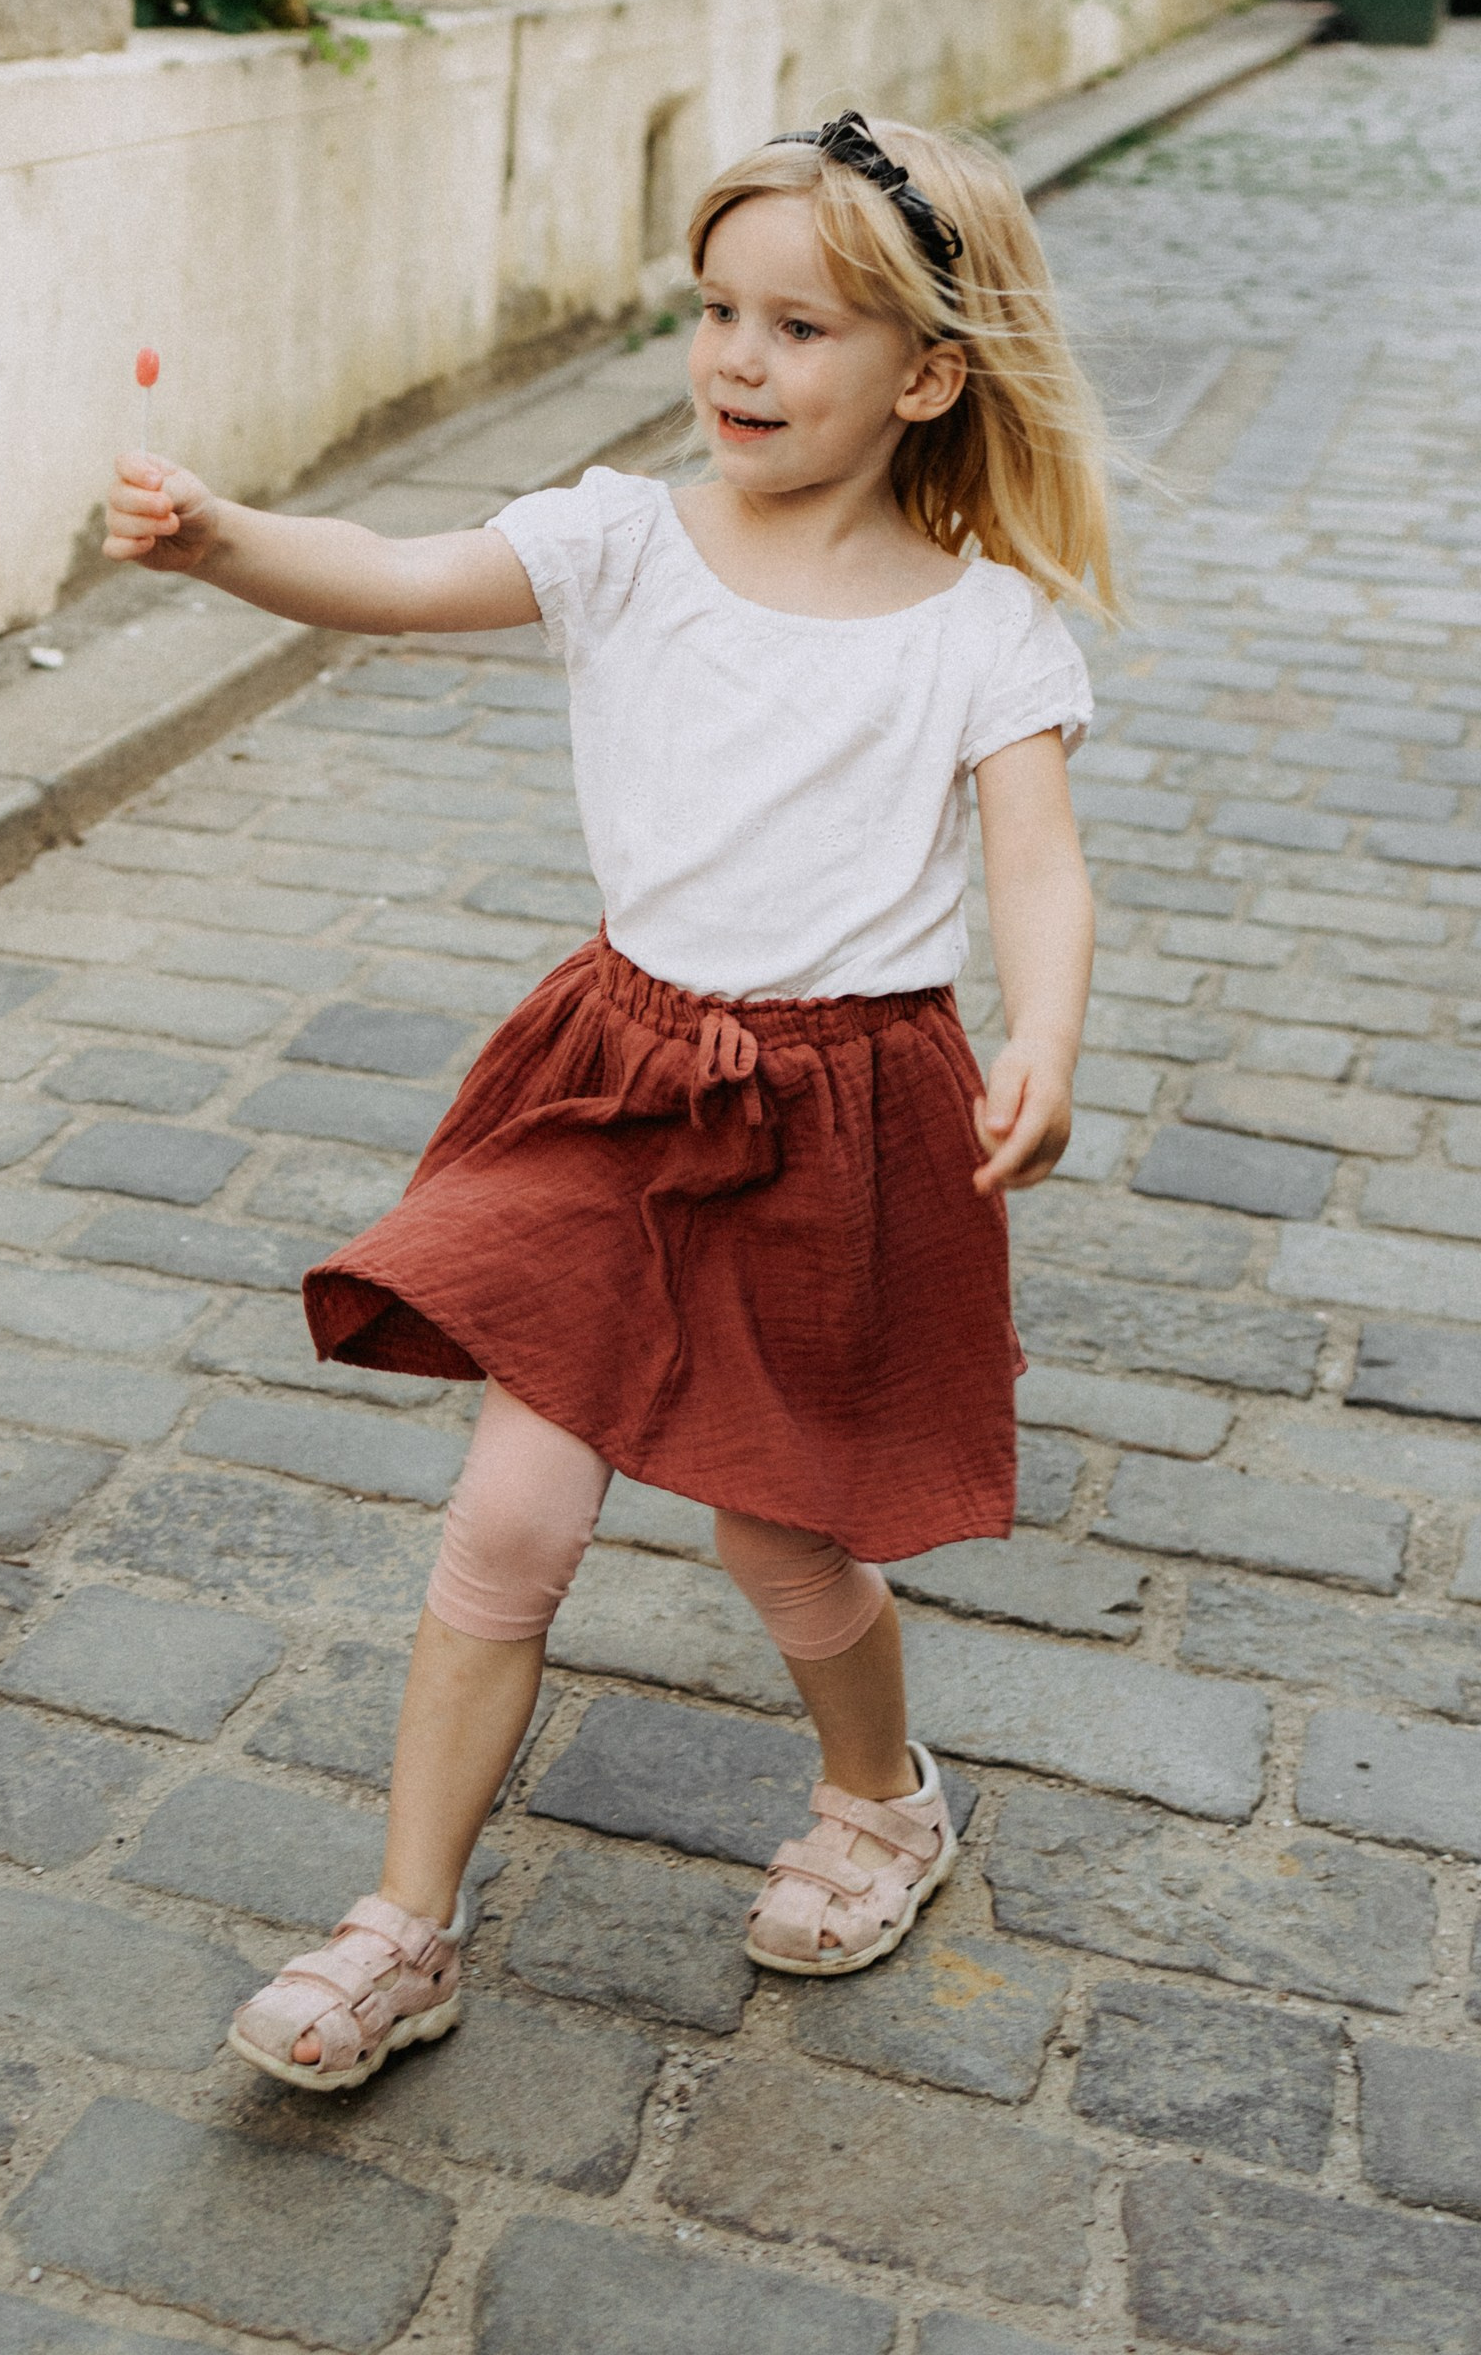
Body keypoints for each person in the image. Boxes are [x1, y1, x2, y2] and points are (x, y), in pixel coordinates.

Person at [103, 109, 1107, 2095]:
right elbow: (399, 575)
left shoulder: (983, 624)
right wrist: (226, 544)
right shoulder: (623, 542)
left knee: (782, 1543)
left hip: (839, 1123)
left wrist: (1046, 1038)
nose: (739, 358)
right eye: (717, 310)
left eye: (800, 328)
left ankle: (881, 1798)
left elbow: (1040, 866)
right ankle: (403, 1925)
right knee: (508, 1519)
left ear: (925, 376)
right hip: (620, 1083)